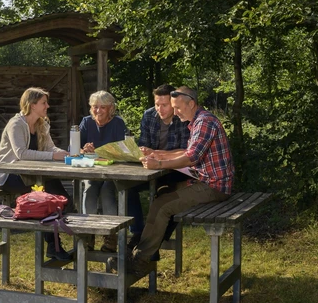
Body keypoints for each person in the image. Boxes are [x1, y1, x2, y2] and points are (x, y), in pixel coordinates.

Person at [110, 86, 235, 278]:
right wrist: (158, 153)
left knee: (162, 205)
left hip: (214, 186)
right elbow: (186, 152)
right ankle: (144, 250)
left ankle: (140, 261)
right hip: (204, 180)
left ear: (191, 103)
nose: (176, 112)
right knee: (162, 191)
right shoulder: (198, 120)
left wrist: (159, 162)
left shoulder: (205, 122)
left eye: (177, 108)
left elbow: (191, 157)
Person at [0, 87, 75, 261]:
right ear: (32, 105)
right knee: (48, 195)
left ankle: (56, 240)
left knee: (49, 192)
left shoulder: (42, 123)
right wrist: (52, 156)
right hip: (8, 174)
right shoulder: (16, 124)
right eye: (44, 103)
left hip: (32, 175)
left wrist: (65, 153)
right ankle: (58, 238)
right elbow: (21, 153)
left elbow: (51, 148)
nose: (47, 106)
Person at [124, 84, 190, 251]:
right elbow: (144, 143)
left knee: (166, 195)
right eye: (157, 104)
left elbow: (186, 151)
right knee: (126, 187)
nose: (160, 109)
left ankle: (151, 243)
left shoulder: (182, 117)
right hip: (152, 168)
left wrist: (157, 153)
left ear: (174, 103)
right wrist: (144, 150)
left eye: (164, 105)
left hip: (176, 170)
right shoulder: (149, 115)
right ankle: (138, 233)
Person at [78, 90, 132, 252]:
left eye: (103, 107)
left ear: (110, 109)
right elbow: (74, 149)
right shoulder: (86, 122)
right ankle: (89, 233)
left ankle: (111, 237)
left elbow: (125, 151)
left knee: (107, 192)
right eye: (95, 107)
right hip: (92, 170)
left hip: (113, 171)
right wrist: (83, 149)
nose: (98, 111)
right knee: (89, 190)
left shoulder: (117, 123)